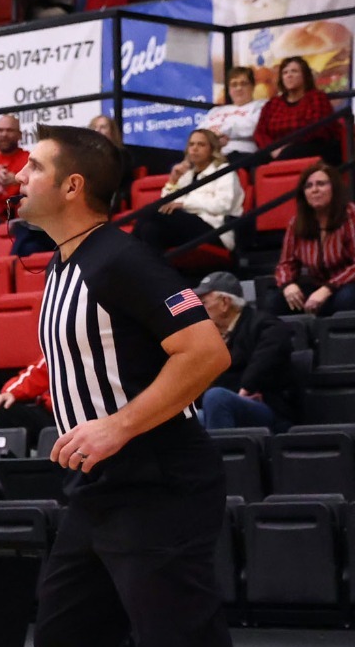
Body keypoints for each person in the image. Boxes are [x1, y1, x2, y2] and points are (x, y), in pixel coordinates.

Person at [6, 123, 311, 647]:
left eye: (34, 165)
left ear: (72, 185)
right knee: (68, 642)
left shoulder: (120, 257)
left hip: (160, 479)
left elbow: (205, 351)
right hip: (100, 490)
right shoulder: (64, 263)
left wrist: (116, 423)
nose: (19, 175)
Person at [193, 272, 295, 432]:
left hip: (265, 407)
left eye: (203, 303)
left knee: (216, 397)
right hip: (218, 407)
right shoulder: (209, 338)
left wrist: (247, 388)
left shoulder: (263, 324)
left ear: (225, 303)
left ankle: (225, 456)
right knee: (185, 419)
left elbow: (268, 356)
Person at [133, 129, 241, 255]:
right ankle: (155, 272)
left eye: (201, 145)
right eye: (191, 144)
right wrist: (173, 181)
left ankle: (125, 256)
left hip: (214, 229)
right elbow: (166, 206)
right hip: (185, 227)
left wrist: (184, 204)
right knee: (149, 229)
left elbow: (223, 205)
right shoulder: (187, 175)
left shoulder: (224, 171)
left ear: (212, 149)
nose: (195, 148)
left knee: (152, 212)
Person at [276, 162, 355, 316]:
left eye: (321, 184)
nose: (315, 190)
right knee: (276, 302)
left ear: (334, 188)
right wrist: (288, 285)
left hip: (348, 284)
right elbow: (285, 263)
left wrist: (328, 288)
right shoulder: (296, 223)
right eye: (309, 186)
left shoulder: (351, 215)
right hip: (317, 287)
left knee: (346, 298)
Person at [252, 55, 344, 164]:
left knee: (289, 153)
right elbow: (260, 133)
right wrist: (273, 149)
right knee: (252, 161)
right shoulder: (272, 104)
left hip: (313, 148)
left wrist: (287, 146)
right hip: (277, 151)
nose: (289, 75)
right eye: (285, 73)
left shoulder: (317, 97)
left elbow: (318, 130)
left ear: (305, 76)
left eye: (294, 71)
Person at [0, 357, 57, 442]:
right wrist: (10, 393)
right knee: (4, 409)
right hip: (54, 414)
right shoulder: (60, 352)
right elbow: (35, 375)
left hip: (73, 420)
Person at [204, 66, 265, 161]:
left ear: (253, 87)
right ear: (228, 89)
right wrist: (214, 140)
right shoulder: (215, 111)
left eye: (244, 84)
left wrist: (220, 134)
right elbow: (199, 133)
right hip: (209, 157)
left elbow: (252, 128)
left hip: (241, 156)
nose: (239, 88)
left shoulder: (260, 105)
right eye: (234, 84)